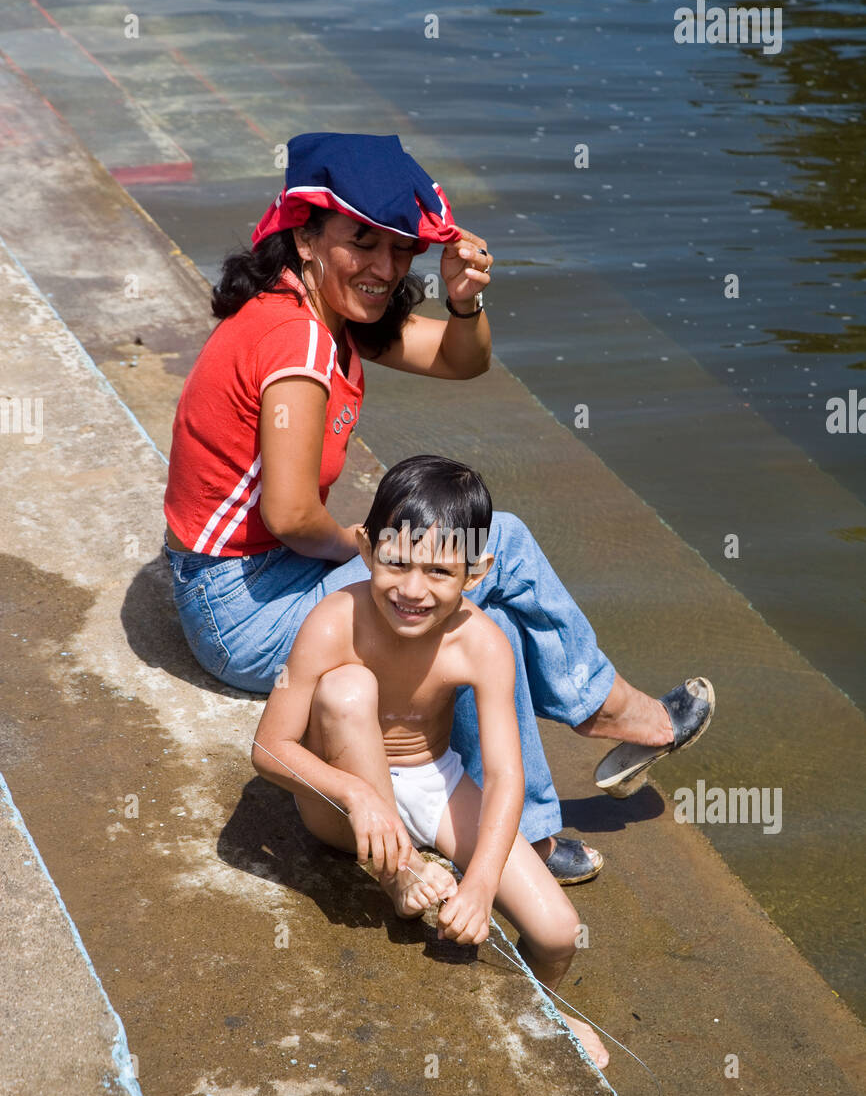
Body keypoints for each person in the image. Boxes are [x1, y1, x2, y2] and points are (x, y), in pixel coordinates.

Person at [163, 131, 713, 886]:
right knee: (492, 549)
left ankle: (534, 818)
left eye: (401, 250)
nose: (386, 269)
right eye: (363, 242)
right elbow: (292, 515)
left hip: (253, 579)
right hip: (240, 610)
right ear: (306, 234)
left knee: (487, 611)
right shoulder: (298, 344)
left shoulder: (322, 310)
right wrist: (367, 545)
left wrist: (466, 299)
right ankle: (598, 726)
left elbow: (463, 358)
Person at [251, 456, 610, 1069]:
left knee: (555, 932)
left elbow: (503, 775)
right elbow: (268, 748)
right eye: (396, 561)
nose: (412, 589)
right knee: (347, 691)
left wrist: (478, 885)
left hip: (431, 778)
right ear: (366, 550)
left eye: (439, 571)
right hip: (340, 800)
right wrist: (358, 795)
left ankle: (544, 1010)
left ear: (476, 573)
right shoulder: (334, 621)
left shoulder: (482, 642)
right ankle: (400, 875)